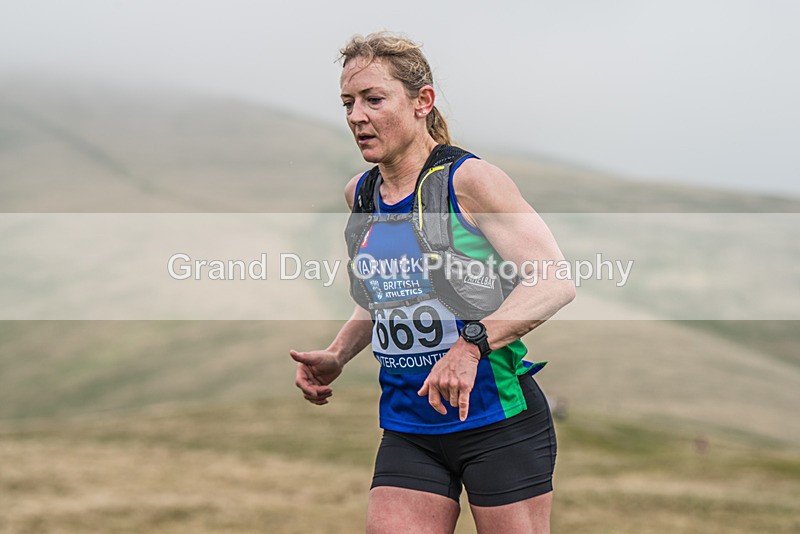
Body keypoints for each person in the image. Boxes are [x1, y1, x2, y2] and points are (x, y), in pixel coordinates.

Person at [290, 32, 575, 534]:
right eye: (348, 103)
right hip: (409, 425)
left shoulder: (469, 180)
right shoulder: (361, 194)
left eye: (374, 100)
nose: (357, 116)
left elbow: (554, 281)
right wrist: (337, 355)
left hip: (496, 419)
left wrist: (469, 347)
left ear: (422, 102)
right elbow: (382, 299)